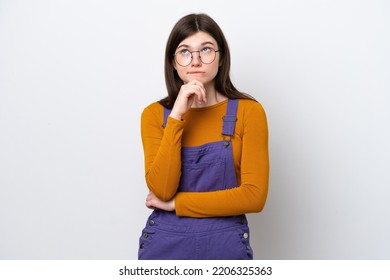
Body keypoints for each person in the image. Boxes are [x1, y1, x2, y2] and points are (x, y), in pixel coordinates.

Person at [138, 13, 269, 260]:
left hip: (226, 247)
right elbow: (162, 190)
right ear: (174, 63)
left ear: (221, 58)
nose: (195, 61)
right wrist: (176, 115)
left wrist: (178, 204)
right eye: (185, 52)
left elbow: (254, 196)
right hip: (165, 246)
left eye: (206, 50)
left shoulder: (249, 112)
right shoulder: (154, 115)